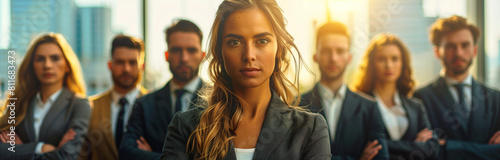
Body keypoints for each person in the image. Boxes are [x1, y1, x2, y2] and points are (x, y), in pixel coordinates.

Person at [161, 0, 331, 159]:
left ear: (278, 48)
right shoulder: (185, 128)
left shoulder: (309, 129)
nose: (249, 55)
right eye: (235, 42)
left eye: (262, 41)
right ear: (220, 51)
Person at [413, 15, 500, 159]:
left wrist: (447, 147)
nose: (458, 53)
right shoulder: (419, 98)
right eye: (450, 46)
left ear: (475, 50)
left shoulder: (496, 98)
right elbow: (427, 152)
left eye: (465, 45)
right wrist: (485, 151)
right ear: (437, 52)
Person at [300, 21, 389, 160]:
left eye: (340, 51)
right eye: (326, 51)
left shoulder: (369, 107)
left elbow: (381, 157)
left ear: (349, 58)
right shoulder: (296, 105)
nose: (333, 58)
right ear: (315, 56)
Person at [119, 20, 207, 159]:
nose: (184, 58)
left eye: (191, 50)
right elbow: (126, 152)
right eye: (176, 50)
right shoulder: (144, 104)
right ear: (167, 55)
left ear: (202, 56)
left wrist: (155, 155)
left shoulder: (220, 101)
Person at [0, 33, 91, 159]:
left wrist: (19, 151)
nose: (47, 65)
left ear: (67, 66)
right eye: (40, 59)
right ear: (32, 66)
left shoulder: (79, 104)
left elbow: (67, 156)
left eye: (55, 58)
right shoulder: (18, 101)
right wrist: (40, 148)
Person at [354, 33, 439, 159]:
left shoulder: (416, 107)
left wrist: (384, 145)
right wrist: (414, 145)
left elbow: (431, 149)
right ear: (371, 64)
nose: (389, 65)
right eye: (382, 59)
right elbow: (358, 146)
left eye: (395, 59)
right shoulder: (359, 105)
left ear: (402, 63)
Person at [80, 35, 149, 160]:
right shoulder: (90, 106)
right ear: (110, 65)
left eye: (132, 62)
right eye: (120, 62)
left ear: (142, 66)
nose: (126, 69)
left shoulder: (155, 105)